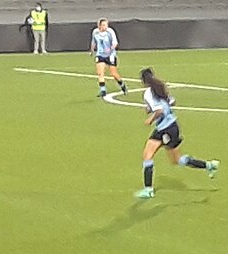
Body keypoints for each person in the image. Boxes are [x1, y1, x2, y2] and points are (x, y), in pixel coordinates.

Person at [135, 67, 219, 198]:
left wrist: (150, 119)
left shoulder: (148, 93)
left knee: (147, 155)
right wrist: (150, 109)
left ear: (143, 81)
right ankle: (208, 165)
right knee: (177, 160)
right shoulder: (160, 88)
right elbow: (171, 102)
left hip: (164, 129)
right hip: (173, 126)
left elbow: (159, 111)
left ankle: (148, 189)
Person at [90, 18, 128, 98]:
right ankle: (103, 90)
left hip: (110, 55)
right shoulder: (95, 32)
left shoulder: (110, 32)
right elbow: (93, 42)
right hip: (100, 54)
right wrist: (92, 50)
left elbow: (115, 43)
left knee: (114, 74)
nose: (105, 27)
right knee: (100, 72)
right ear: (99, 26)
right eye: (103, 25)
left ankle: (122, 84)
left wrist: (110, 49)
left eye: (106, 25)